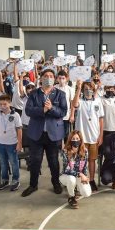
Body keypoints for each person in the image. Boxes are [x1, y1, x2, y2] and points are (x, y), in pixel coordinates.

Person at [22, 69, 68, 197]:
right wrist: (43, 109)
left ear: (55, 79)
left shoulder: (60, 94)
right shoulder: (34, 94)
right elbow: (29, 111)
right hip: (36, 133)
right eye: (46, 76)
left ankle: (56, 183)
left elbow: (63, 112)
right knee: (35, 161)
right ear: (41, 78)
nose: (48, 78)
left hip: (53, 134)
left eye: (51, 76)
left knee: (53, 161)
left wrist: (52, 108)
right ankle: (33, 185)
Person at [71, 80, 104, 191]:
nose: (88, 91)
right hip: (82, 138)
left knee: (92, 160)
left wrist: (101, 136)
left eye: (90, 89)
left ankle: (91, 180)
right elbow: (74, 104)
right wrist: (79, 87)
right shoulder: (80, 101)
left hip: (94, 137)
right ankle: (81, 180)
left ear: (93, 89)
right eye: (85, 89)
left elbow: (101, 120)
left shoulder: (98, 101)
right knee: (81, 160)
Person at [60, 130, 92, 209]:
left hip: (78, 176)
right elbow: (67, 170)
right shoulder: (65, 151)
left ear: (80, 140)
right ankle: (71, 197)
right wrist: (80, 174)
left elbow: (84, 167)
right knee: (71, 179)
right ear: (70, 140)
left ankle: (76, 188)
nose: (75, 140)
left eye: (77, 138)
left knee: (87, 193)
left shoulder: (85, 151)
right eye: (73, 138)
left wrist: (85, 177)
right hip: (66, 176)